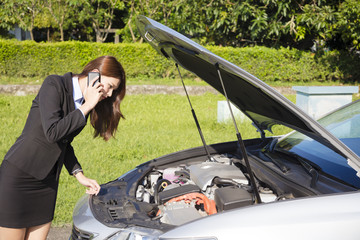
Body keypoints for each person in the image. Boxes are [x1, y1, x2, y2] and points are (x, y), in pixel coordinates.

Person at [0, 55, 126, 240]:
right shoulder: (54, 85)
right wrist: (88, 105)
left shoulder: (84, 104)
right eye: (110, 86)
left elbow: (64, 142)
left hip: (47, 183)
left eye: (113, 90)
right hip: (19, 177)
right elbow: (53, 133)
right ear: (95, 75)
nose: (108, 94)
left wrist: (79, 174)